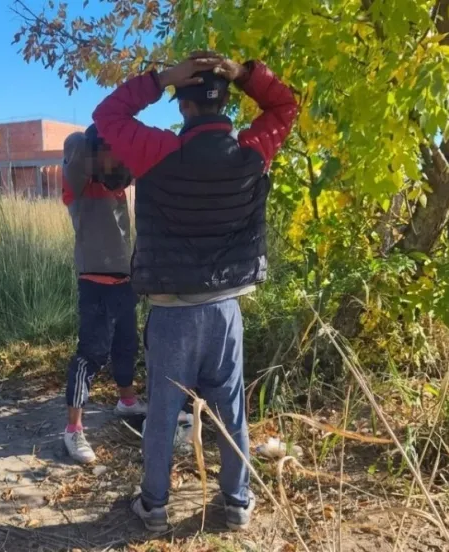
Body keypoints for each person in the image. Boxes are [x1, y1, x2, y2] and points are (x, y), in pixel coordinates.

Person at [92, 53, 298, 531]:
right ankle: (237, 503)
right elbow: (285, 107)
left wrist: (160, 79)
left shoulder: (156, 150)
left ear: (182, 107)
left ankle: (155, 506)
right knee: (231, 409)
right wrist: (247, 75)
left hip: (171, 312)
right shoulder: (252, 152)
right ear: (226, 100)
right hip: (225, 308)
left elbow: (107, 116)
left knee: (163, 412)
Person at [61, 124, 147, 464]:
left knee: (127, 342)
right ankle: (73, 430)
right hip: (94, 280)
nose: (118, 162)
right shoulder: (79, 183)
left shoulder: (117, 184)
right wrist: (102, 131)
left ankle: (126, 400)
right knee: (91, 353)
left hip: (124, 279)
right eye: (111, 152)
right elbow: (76, 145)